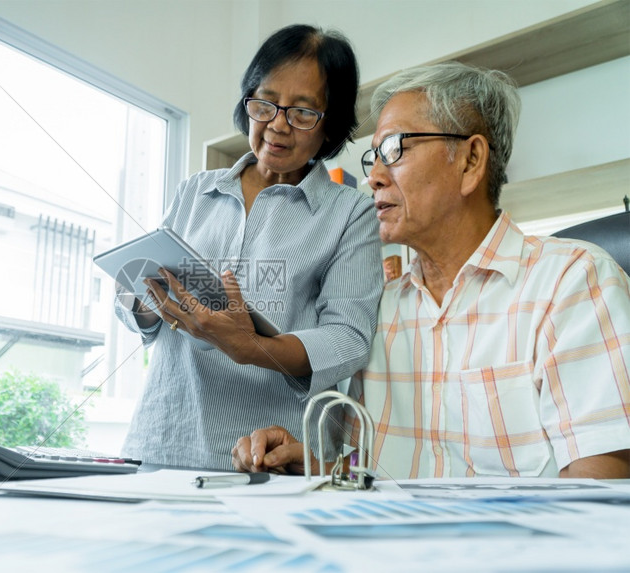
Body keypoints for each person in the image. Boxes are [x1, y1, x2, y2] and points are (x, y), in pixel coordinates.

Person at [232, 61, 630, 479]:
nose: (374, 179)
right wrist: (315, 466)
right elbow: (371, 473)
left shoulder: (572, 282)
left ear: (471, 160)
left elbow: (597, 492)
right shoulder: (380, 310)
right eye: (374, 158)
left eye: (395, 150)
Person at [115, 24, 384, 470]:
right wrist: (147, 304)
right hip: (160, 443)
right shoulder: (195, 191)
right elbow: (136, 299)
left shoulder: (351, 213)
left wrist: (251, 348)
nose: (278, 125)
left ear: (329, 125)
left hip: (266, 459)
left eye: (302, 113)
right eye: (265, 104)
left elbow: (348, 338)